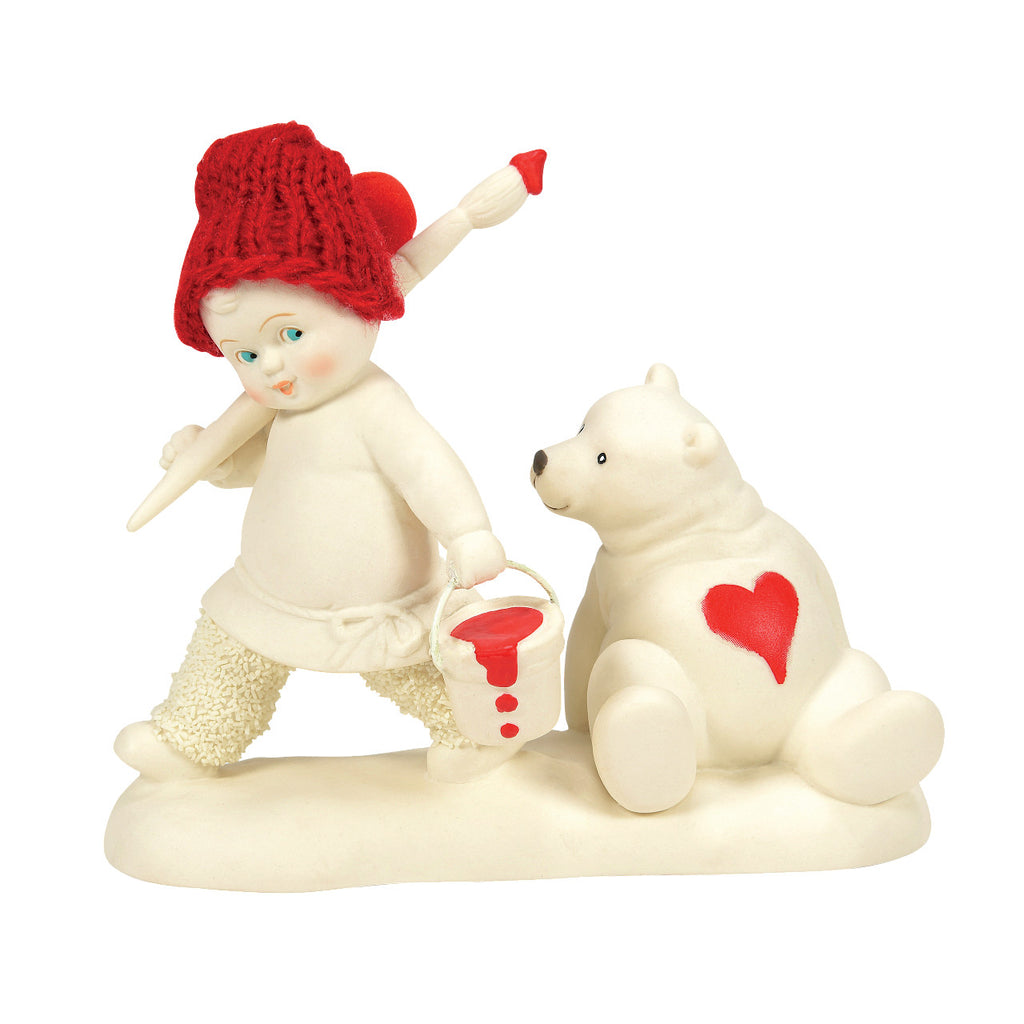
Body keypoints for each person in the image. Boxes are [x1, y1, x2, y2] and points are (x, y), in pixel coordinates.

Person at [115, 123, 545, 783]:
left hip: (374, 602)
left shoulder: (376, 407)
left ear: (359, 307)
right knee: (229, 657)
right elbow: (269, 471)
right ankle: (191, 741)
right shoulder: (283, 414)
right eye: (245, 354)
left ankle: (475, 735)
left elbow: (426, 469)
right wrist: (217, 462)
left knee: (416, 668)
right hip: (268, 592)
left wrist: (467, 533)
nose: (271, 367)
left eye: (290, 334)